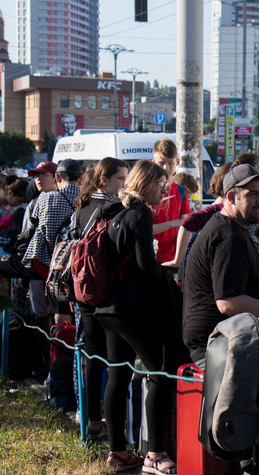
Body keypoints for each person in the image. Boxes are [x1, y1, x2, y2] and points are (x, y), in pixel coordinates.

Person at [94, 160, 183, 473]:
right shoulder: (140, 212)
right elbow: (146, 266)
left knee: (117, 377)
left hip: (107, 308)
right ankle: (155, 454)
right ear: (147, 184)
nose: (164, 190)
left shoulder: (114, 211)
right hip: (131, 309)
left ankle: (118, 452)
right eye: (160, 183)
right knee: (160, 372)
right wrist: (166, 275)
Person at [182, 164, 259, 368]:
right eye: (252, 195)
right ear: (231, 198)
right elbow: (228, 302)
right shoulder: (228, 237)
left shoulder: (233, 228)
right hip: (218, 346)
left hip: (230, 339)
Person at [73, 157, 129, 442]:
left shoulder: (82, 208)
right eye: (120, 179)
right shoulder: (111, 208)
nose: (124, 184)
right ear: (103, 180)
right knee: (114, 361)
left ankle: (92, 420)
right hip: (105, 290)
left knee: (93, 356)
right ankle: (113, 423)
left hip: (83, 288)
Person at [23, 159, 81, 326]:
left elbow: (35, 233)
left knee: (59, 312)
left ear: (57, 177)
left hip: (53, 267)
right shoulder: (88, 198)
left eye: (43, 175)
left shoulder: (45, 200)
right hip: (80, 266)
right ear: (80, 179)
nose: (38, 179)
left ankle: (60, 340)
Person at [151, 138, 191, 263]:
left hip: (172, 259)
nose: (165, 167)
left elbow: (185, 226)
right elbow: (144, 229)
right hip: (149, 257)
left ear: (177, 162)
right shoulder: (148, 190)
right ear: (153, 163)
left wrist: (179, 258)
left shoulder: (180, 191)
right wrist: (173, 223)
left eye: (170, 163)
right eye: (161, 163)